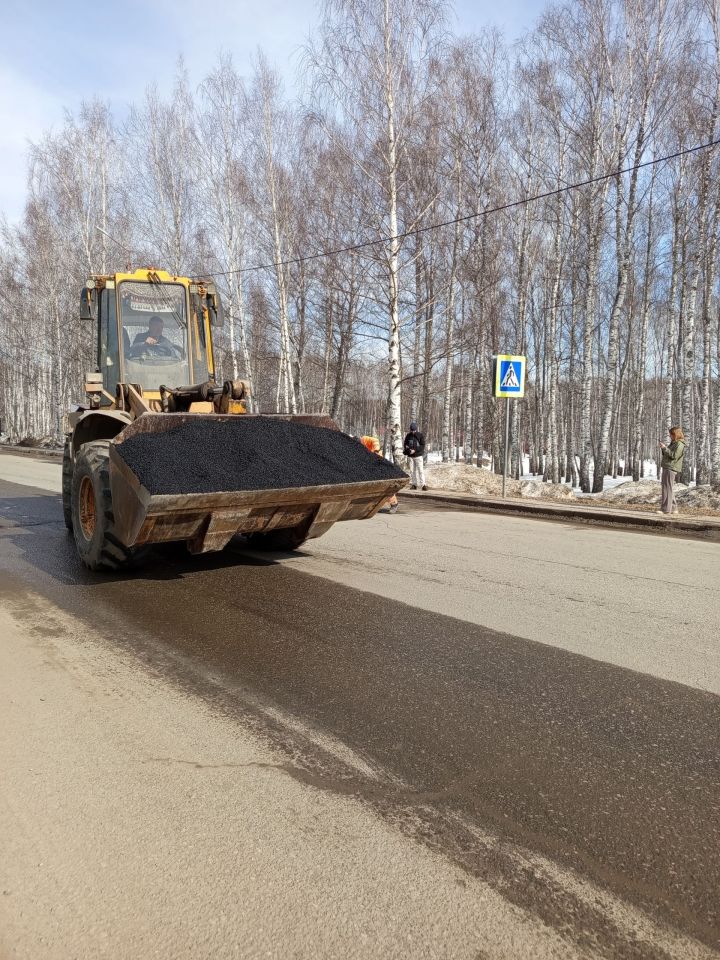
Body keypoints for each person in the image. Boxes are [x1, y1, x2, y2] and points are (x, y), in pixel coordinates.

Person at [361, 435, 398, 513]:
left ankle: (394, 504)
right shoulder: (357, 449)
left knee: (386, 486)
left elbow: (375, 440)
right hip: (371, 466)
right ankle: (375, 505)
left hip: (379, 463)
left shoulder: (364, 439)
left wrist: (376, 450)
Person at [657, 426, 686, 515]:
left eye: (671, 435)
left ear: (676, 434)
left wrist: (665, 448)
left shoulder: (680, 444)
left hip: (671, 467)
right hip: (668, 466)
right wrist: (663, 448)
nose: (670, 436)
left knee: (666, 488)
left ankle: (666, 509)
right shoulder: (674, 443)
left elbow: (674, 456)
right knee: (669, 488)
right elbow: (668, 454)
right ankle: (673, 508)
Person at [403, 422, 427, 490]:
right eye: (411, 430)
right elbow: (405, 444)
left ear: (416, 429)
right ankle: (414, 484)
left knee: (420, 470)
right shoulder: (408, 435)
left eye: (414, 430)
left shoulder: (420, 435)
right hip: (411, 456)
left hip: (418, 456)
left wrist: (415, 450)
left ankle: (423, 485)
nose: (413, 432)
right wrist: (407, 448)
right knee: (412, 471)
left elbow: (422, 446)